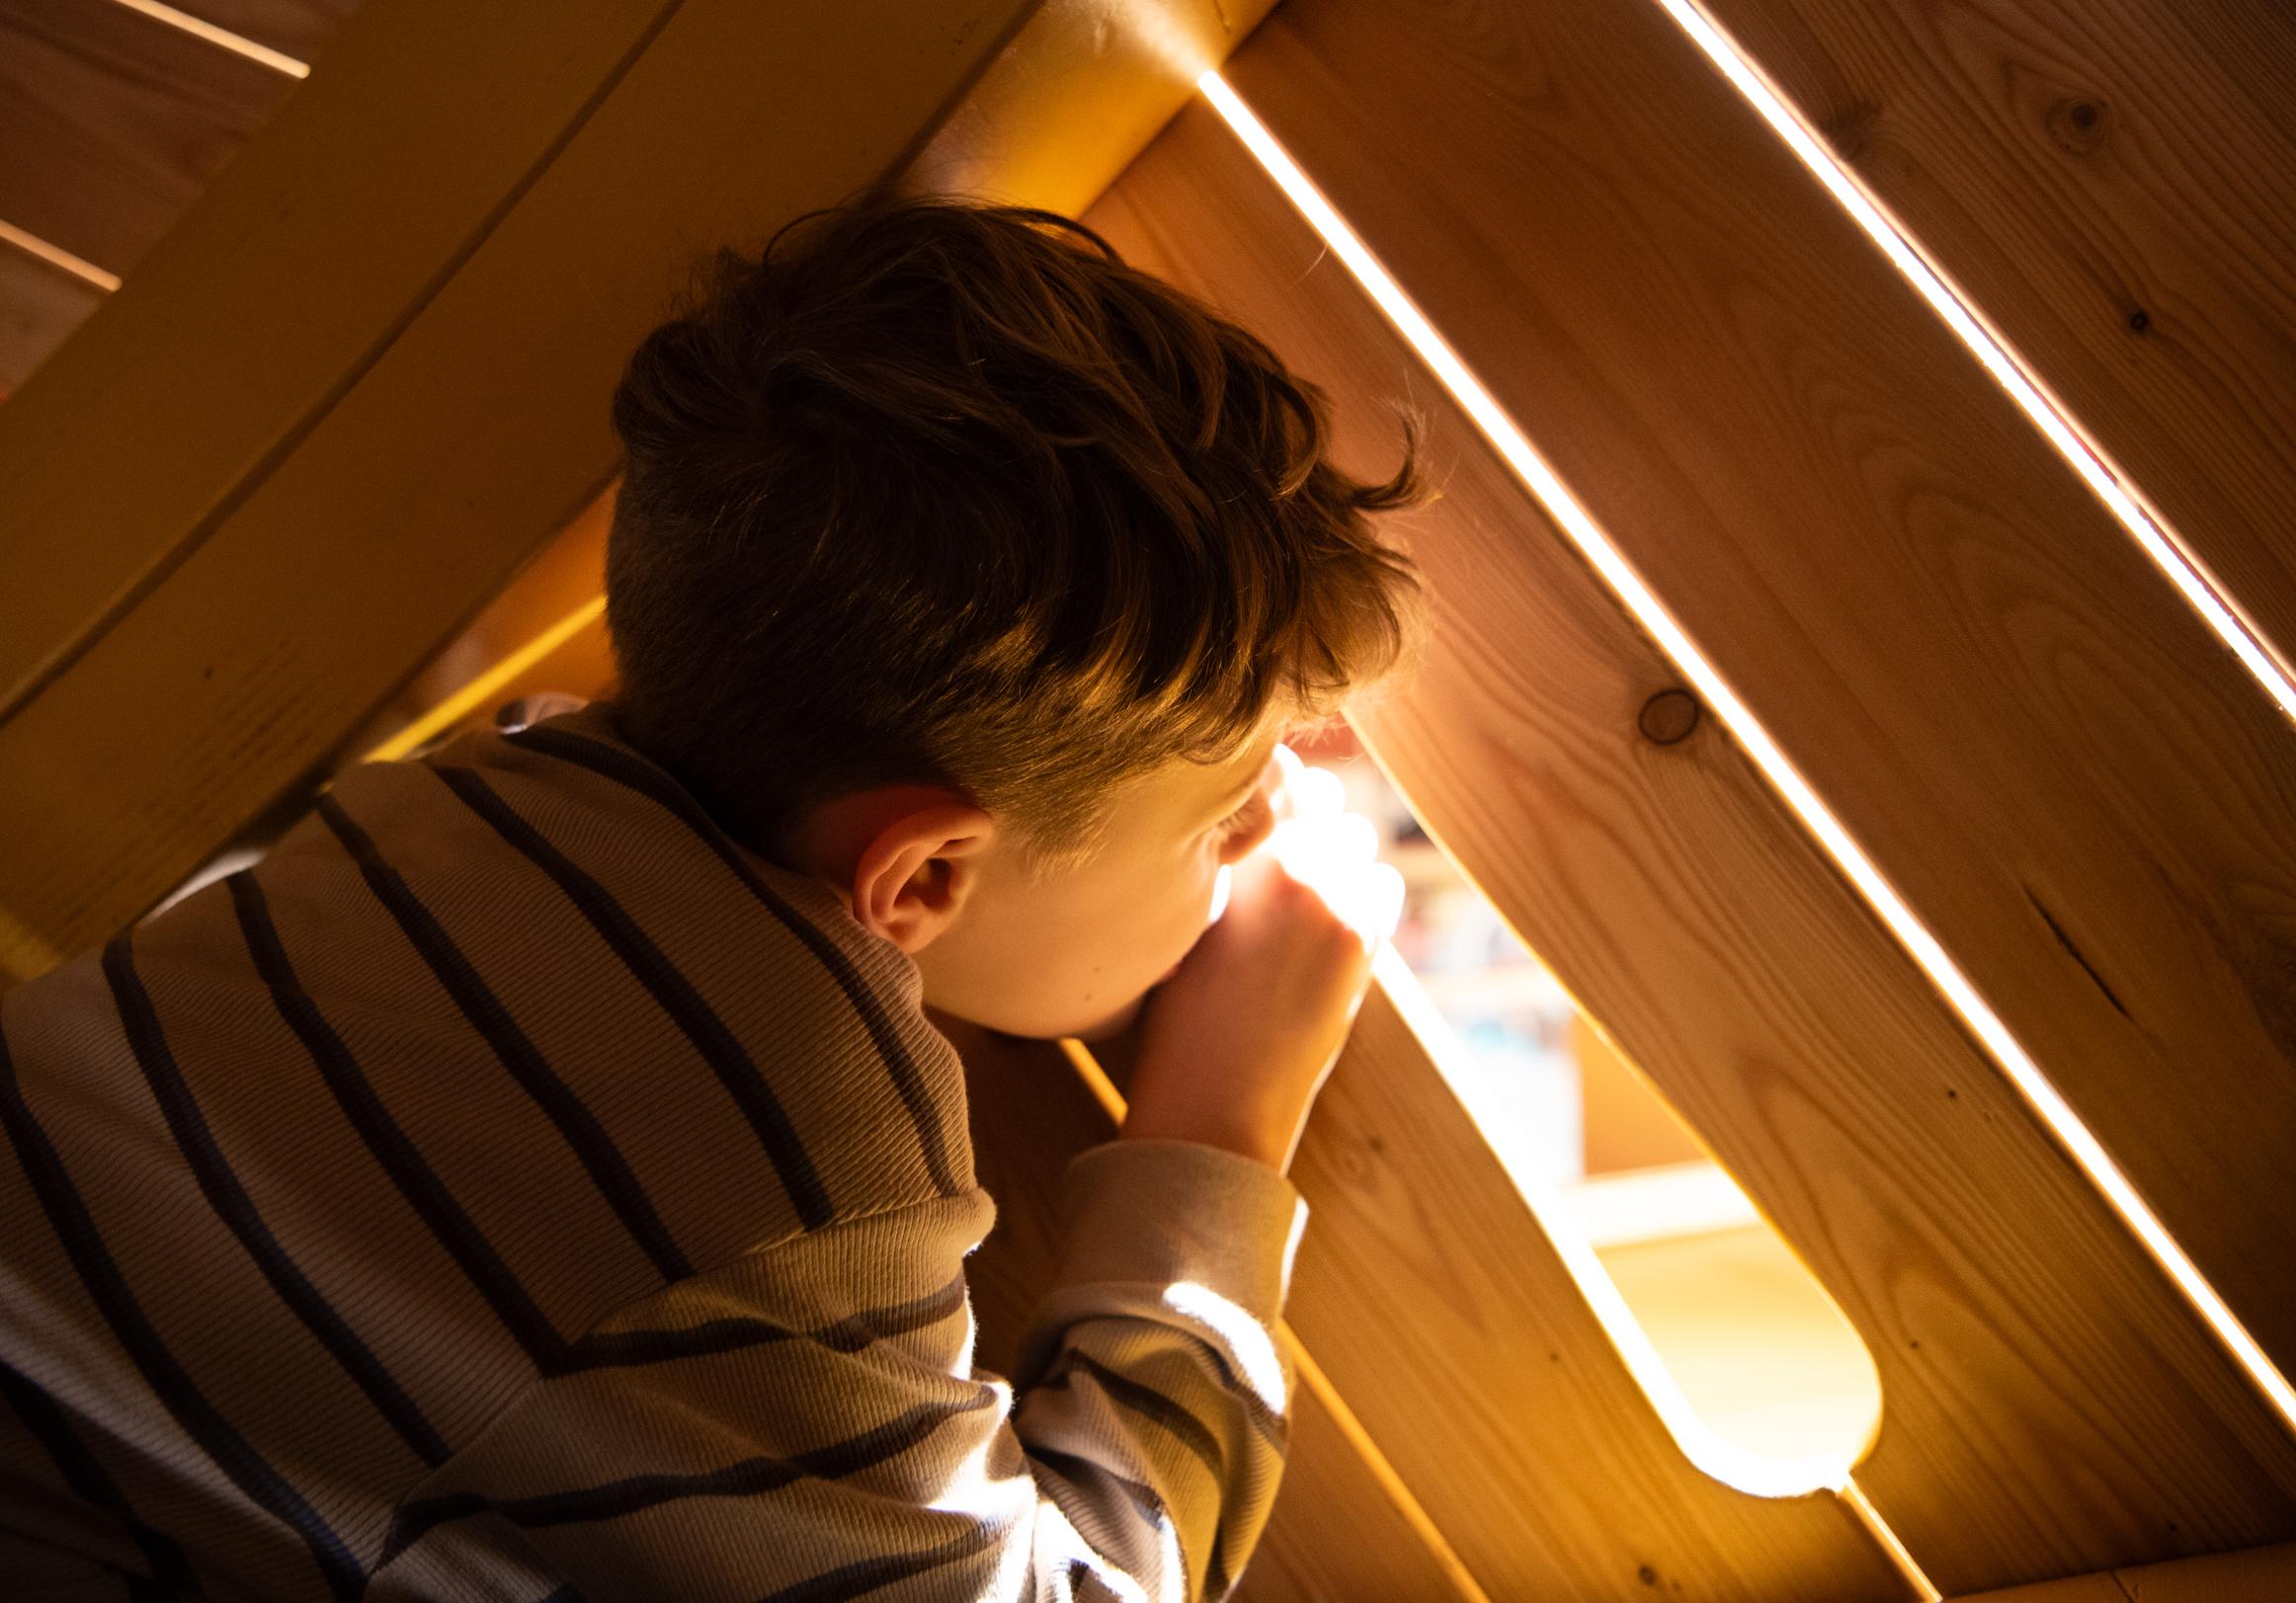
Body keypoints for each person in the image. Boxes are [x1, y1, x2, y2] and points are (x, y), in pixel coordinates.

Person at [0, 187, 1434, 1600]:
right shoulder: (791, 1178)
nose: (1271, 822)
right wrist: (1219, 1136)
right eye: (1227, 809)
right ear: (923, 873)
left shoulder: (432, 811)